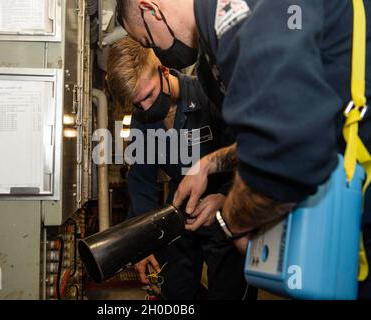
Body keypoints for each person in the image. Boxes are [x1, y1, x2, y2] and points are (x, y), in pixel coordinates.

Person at [115, 0, 371, 297]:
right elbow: (262, 136)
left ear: (151, 9)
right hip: (343, 191)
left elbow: (288, 153)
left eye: (149, 41)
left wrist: (232, 217)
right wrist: (208, 164)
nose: (158, 50)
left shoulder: (234, 16)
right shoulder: (214, 55)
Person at [106, 37, 254, 300]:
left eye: (149, 95)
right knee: (175, 294)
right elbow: (141, 183)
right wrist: (142, 243)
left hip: (227, 209)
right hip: (180, 216)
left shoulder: (209, 93)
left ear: (163, 70)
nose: (146, 108)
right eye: (137, 104)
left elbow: (247, 152)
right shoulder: (144, 121)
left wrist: (224, 198)